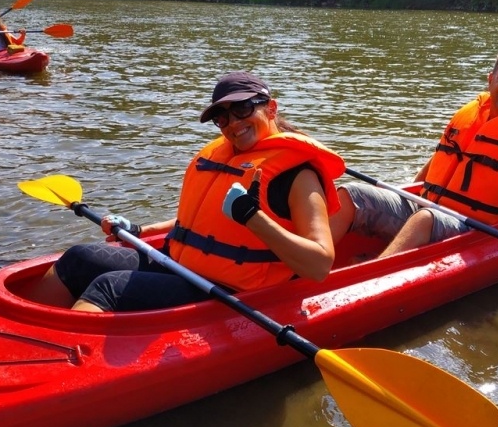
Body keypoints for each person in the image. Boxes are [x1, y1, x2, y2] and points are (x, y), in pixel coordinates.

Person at [28, 71, 346, 312]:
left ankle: (56, 371)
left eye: (243, 109)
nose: (233, 124)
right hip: (178, 263)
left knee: (109, 287)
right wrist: (140, 230)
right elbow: (198, 222)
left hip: (225, 289)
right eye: (222, 118)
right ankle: (27, 337)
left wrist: (255, 219)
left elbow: (319, 266)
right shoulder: (225, 156)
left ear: (271, 108)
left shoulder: (298, 176)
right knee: (79, 258)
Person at [329, 46, 498, 269]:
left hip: (480, 231)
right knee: (352, 193)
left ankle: (370, 276)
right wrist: (406, 193)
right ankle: (303, 265)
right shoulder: (471, 114)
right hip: (431, 211)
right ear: (490, 80)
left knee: (424, 219)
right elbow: (442, 160)